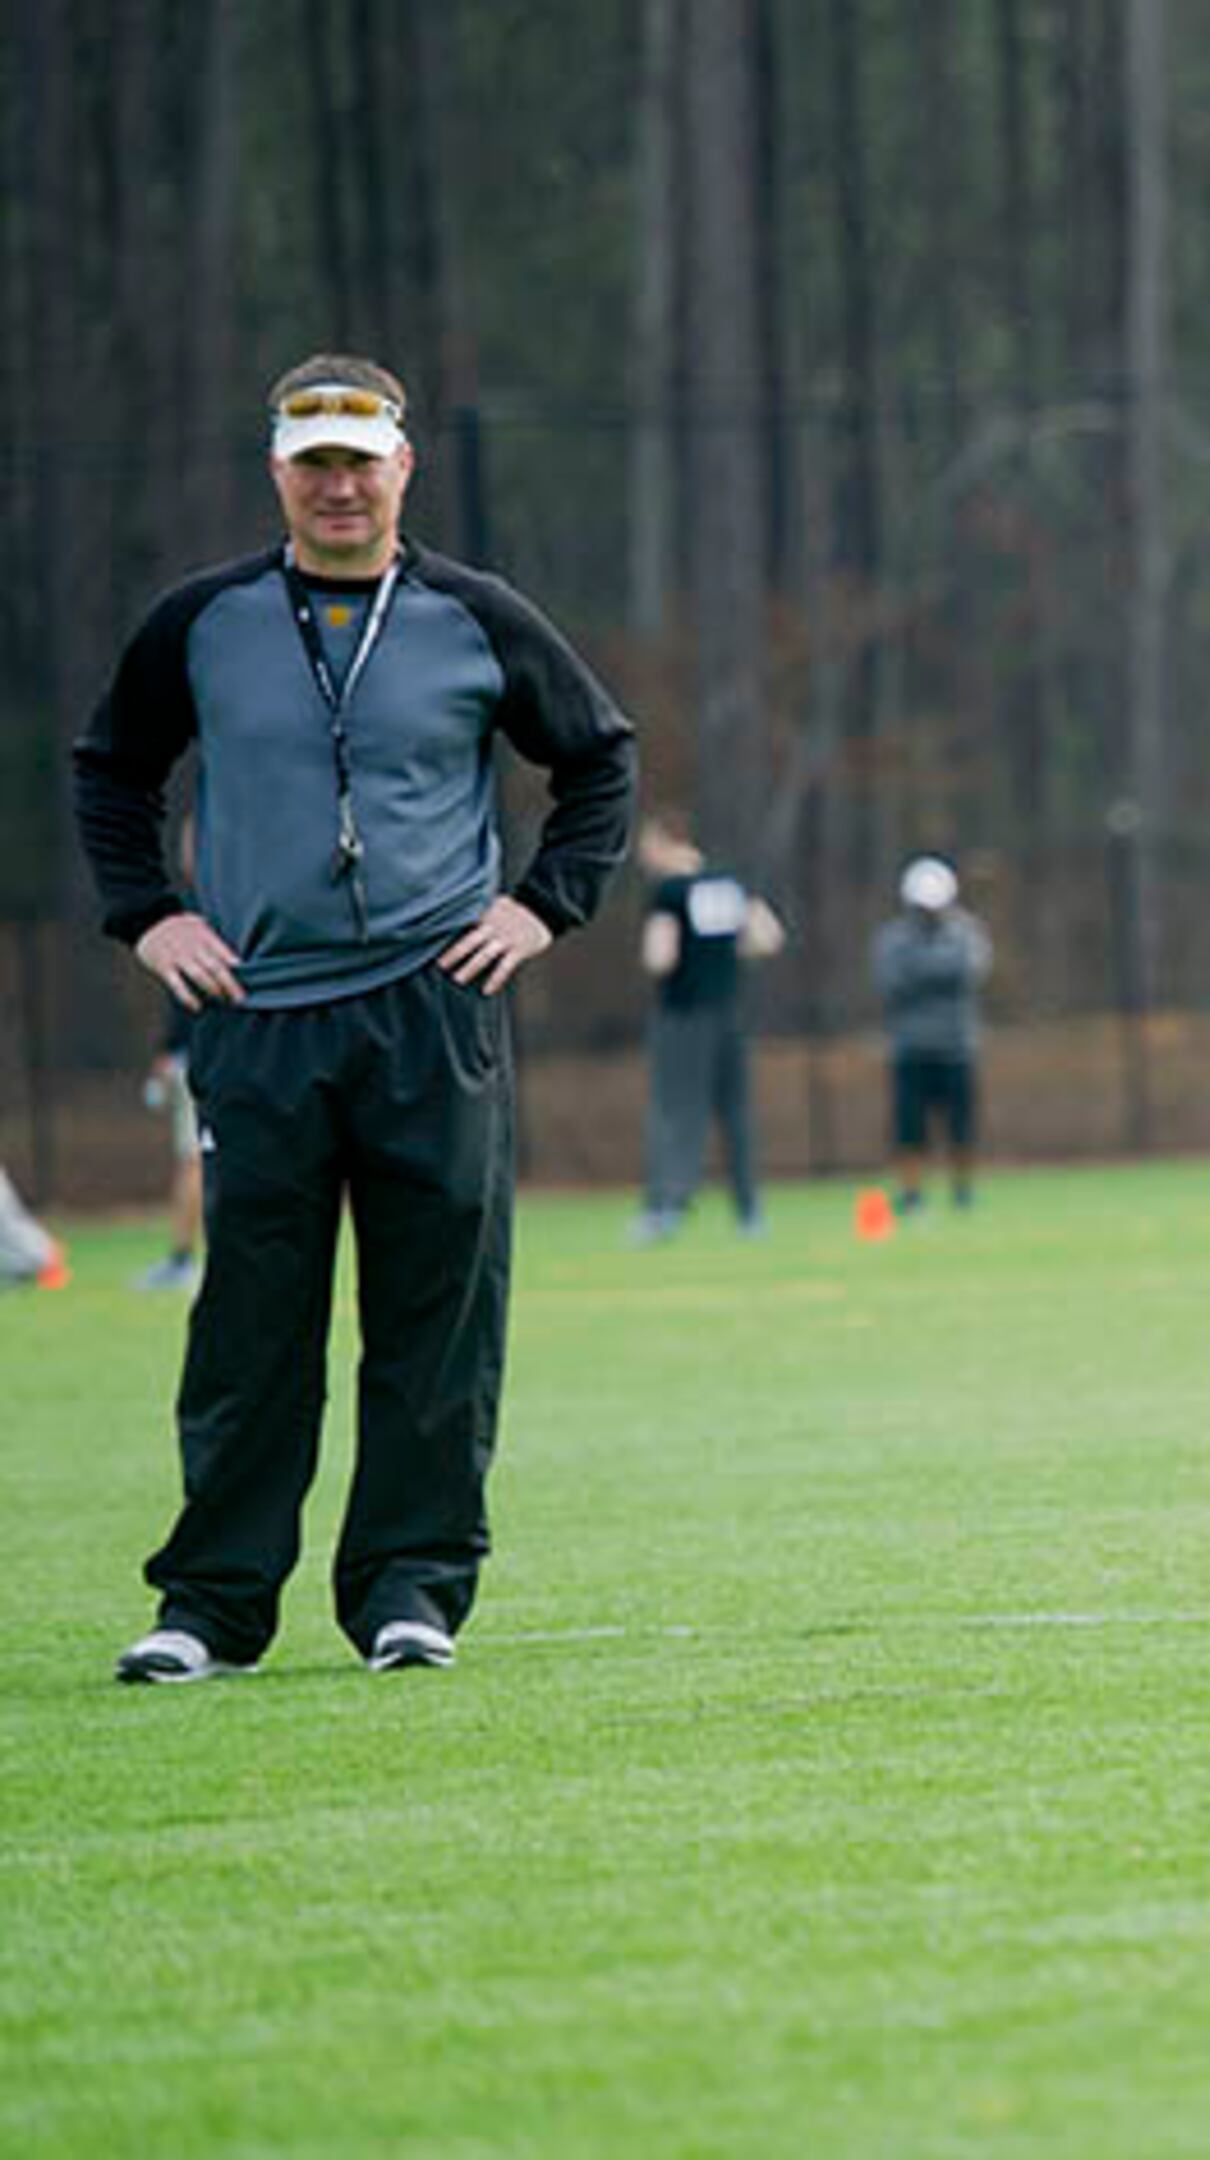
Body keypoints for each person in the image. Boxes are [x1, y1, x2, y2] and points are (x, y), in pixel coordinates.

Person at [71, 351, 637, 1683]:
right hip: (260, 1017)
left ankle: (409, 1589)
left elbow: (600, 759)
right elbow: (112, 769)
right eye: (313, 461)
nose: (338, 484)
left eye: (359, 459)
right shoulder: (201, 622)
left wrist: (541, 907)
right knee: (251, 1321)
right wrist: (149, 915)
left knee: (436, 1313)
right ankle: (210, 1604)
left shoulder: (474, 616)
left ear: (403, 468)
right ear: (278, 471)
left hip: (432, 1012)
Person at [631, 812, 786, 1244]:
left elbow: (659, 956)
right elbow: (767, 937)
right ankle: (749, 1211)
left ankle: (666, 1207)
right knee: (736, 1111)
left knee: (675, 1111)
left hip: (682, 1015)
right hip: (729, 1014)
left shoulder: (669, 893)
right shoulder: (729, 883)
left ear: (665, 842)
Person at [873, 854, 993, 1218]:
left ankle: (963, 1192)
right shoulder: (893, 938)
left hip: (957, 1047)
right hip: (910, 1049)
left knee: (962, 1126)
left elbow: (969, 971)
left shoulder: (965, 933)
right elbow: (892, 982)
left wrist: (923, 973)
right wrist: (938, 972)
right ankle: (911, 1196)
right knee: (910, 1130)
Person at [137, 999, 205, 1292]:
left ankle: (182, 1260)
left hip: (197, 1059)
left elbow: (188, 999)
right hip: (225, 1054)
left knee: (194, 1163)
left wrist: (168, 1051)